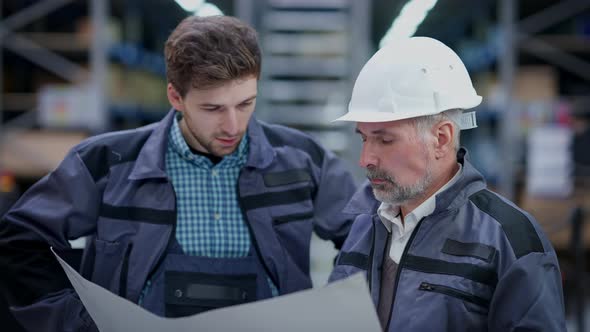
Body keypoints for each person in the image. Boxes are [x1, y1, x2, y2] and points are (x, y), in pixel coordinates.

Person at [0, 15, 357, 331]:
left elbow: (367, 234)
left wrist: (329, 314)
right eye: (212, 108)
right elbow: (18, 242)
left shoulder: (302, 161)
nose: (233, 125)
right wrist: (80, 324)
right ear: (175, 96)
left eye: (245, 103)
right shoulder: (106, 164)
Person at [328, 37, 566, 331]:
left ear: (441, 138)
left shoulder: (510, 241)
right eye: (363, 139)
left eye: (384, 140)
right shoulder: (363, 225)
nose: (365, 159)